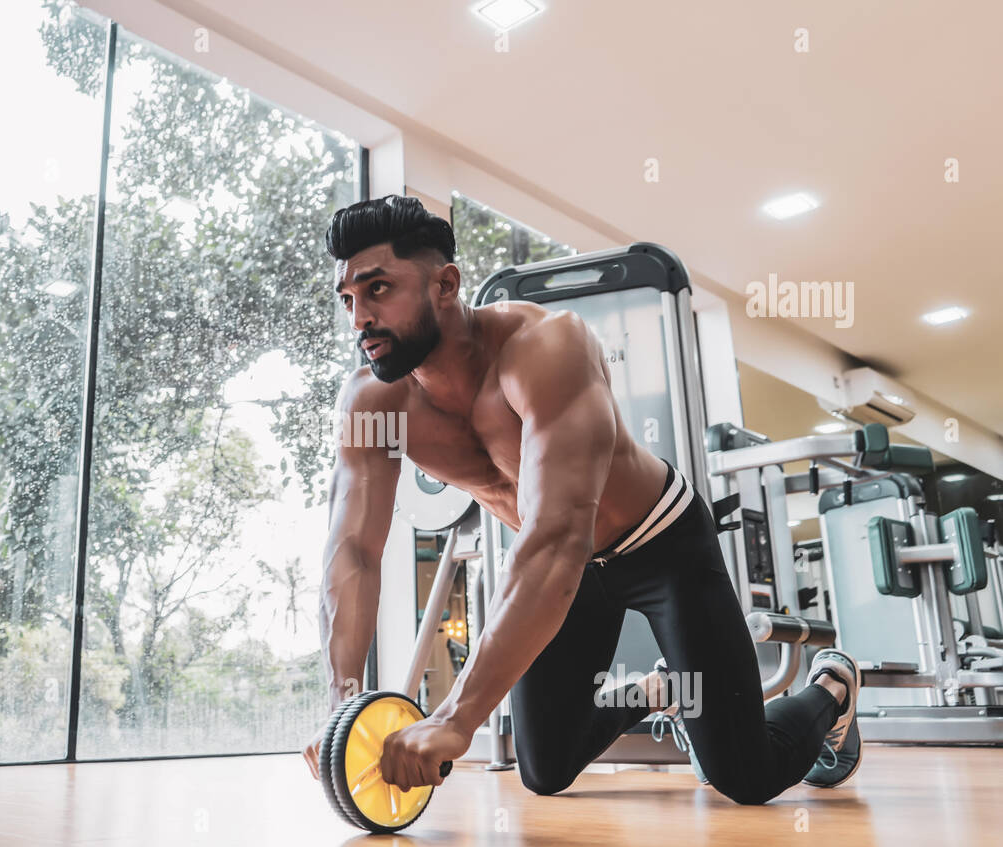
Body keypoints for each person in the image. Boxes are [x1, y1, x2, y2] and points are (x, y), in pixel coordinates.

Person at [302, 195, 862, 805]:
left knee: (745, 776)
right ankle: (656, 691)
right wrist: (343, 704)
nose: (360, 316)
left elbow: (557, 538)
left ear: (445, 284)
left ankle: (832, 684)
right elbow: (354, 551)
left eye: (378, 289)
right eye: (349, 300)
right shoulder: (372, 403)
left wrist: (456, 717)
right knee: (545, 769)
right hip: (566, 572)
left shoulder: (543, 349)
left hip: (659, 544)